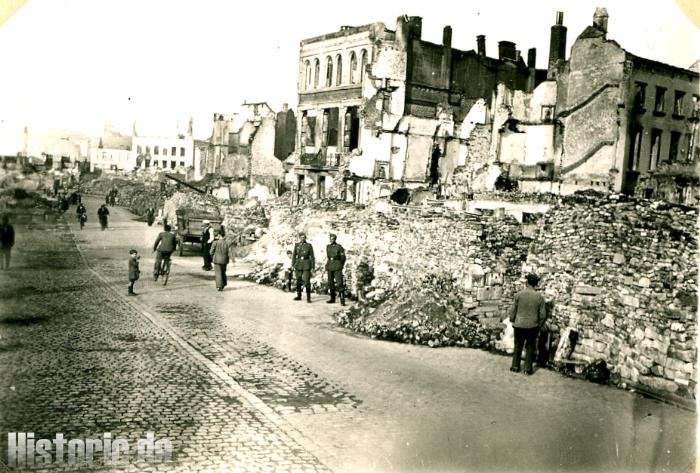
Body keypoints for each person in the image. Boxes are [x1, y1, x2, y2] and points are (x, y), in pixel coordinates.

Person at [509, 273, 547, 375]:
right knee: (530, 347)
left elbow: (513, 310)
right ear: (536, 284)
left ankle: (515, 366)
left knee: (518, 345)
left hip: (519, 325)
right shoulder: (539, 297)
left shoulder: (519, 294)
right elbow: (543, 315)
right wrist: (539, 325)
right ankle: (527, 369)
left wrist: (512, 320)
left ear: (527, 282)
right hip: (532, 326)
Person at [292, 232, 315, 303]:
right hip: (298, 264)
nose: (303, 239)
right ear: (299, 238)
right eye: (301, 237)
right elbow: (294, 255)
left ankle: (308, 298)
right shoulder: (297, 245)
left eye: (304, 237)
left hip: (306, 264)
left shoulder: (309, 245)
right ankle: (299, 296)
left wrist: (312, 266)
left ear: (305, 238)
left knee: (306, 281)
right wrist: (293, 264)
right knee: (298, 280)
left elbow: (312, 256)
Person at [325, 233, 346, 306]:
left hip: (337, 265)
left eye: (333, 239)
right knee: (330, 282)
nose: (331, 240)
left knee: (339, 283)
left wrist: (340, 264)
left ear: (335, 239)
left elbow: (343, 257)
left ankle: (342, 300)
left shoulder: (339, 247)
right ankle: (332, 298)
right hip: (330, 265)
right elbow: (328, 256)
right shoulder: (328, 246)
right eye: (330, 239)